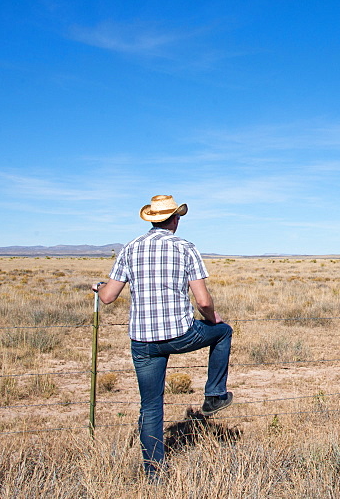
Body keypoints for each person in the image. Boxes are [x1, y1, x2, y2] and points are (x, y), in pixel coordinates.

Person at [93, 194, 233, 478]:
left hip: (143, 341)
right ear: (175, 219)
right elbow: (203, 301)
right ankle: (215, 395)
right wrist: (212, 319)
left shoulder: (129, 249)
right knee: (223, 332)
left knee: (151, 405)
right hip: (181, 333)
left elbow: (108, 297)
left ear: (152, 220)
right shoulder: (185, 248)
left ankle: (154, 472)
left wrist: (97, 287)